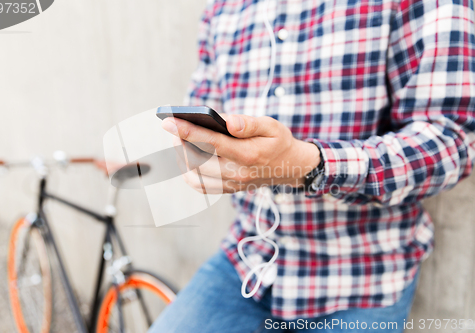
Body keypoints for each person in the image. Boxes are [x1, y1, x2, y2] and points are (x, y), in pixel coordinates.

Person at [149, 0, 475, 331]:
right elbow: (204, 114)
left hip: (365, 274)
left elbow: (451, 141)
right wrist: (199, 154)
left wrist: (310, 165)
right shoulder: (223, 9)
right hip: (249, 259)